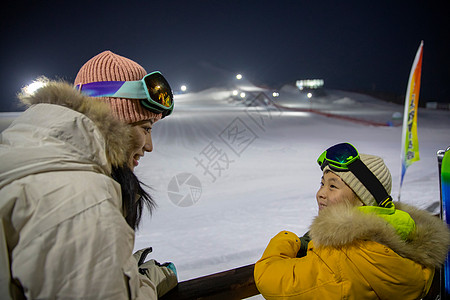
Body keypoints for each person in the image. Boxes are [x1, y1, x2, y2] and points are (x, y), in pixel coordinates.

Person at [0, 51, 177, 299]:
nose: (149, 146)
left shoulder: (28, 159)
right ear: (115, 120)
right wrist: (144, 285)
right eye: (146, 128)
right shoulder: (80, 199)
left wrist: (119, 272)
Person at [254, 142, 450, 299]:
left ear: (363, 199)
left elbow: (268, 277)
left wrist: (290, 240)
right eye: (322, 183)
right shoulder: (403, 239)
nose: (321, 193)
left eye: (333, 186)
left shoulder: (345, 257)